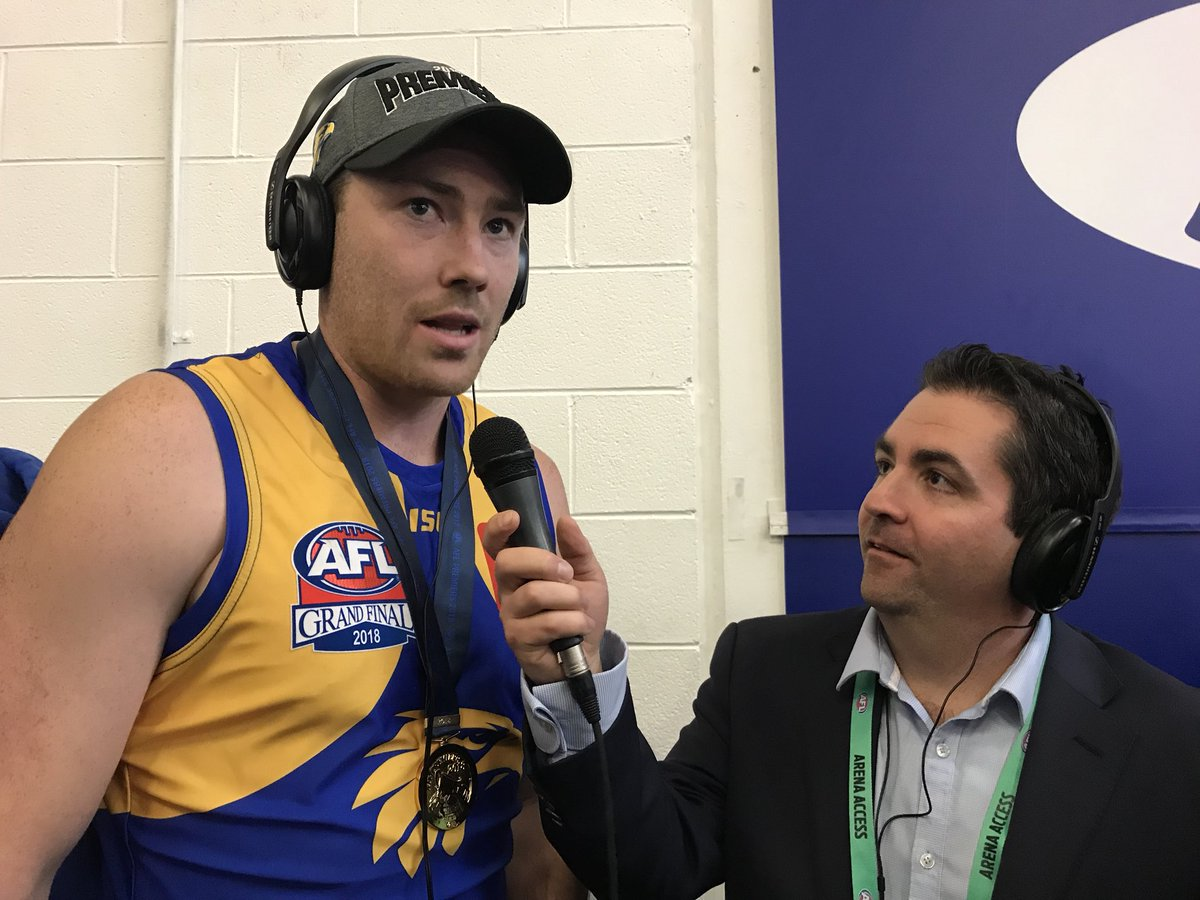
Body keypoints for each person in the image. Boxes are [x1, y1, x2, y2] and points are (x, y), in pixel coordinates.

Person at [0, 56, 585, 899]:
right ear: (310, 230)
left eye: (500, 226)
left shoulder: (523, 483)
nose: (474, 265)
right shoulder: (166, 449)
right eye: (423, 207)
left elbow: (530, 830)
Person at [485, 343, 1200, 899]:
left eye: (937, 478)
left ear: (1049, 544)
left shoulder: (1167, 738)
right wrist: (568, 678)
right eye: (885, 464)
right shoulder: (762, 671)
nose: (879, 501)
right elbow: (645, 873)